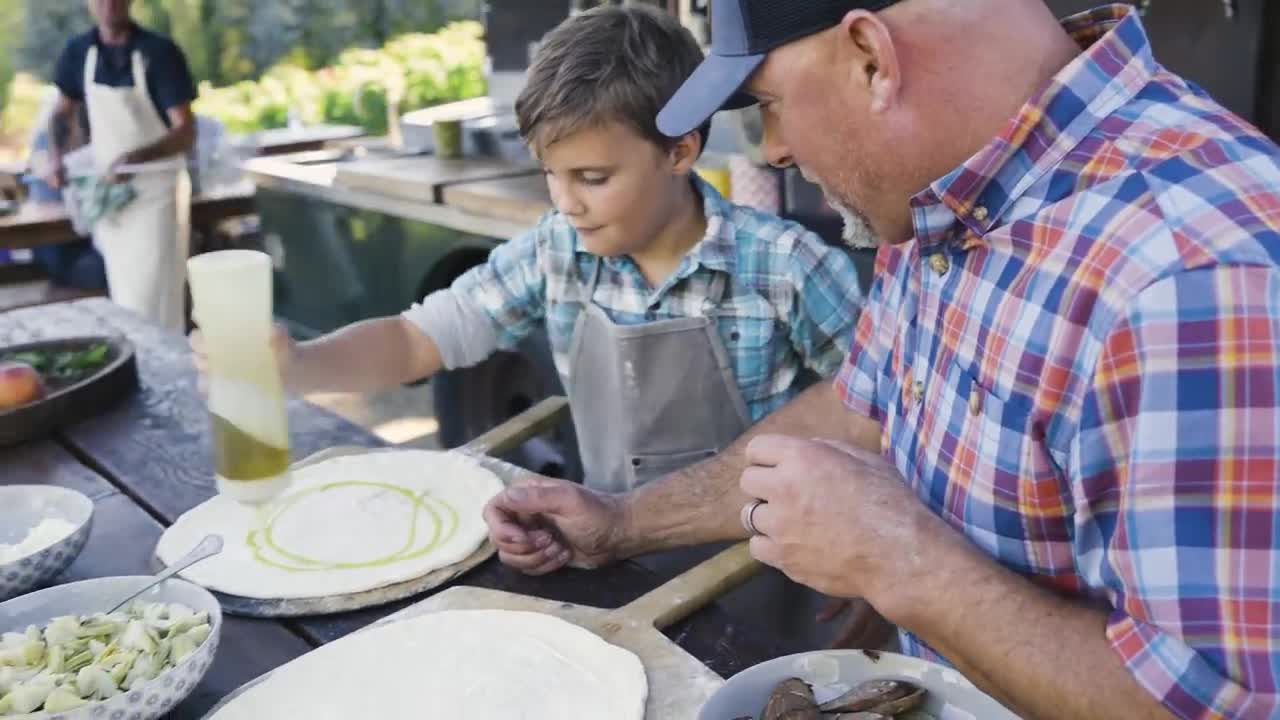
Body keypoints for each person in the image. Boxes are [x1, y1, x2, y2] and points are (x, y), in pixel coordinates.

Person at [483, 1, 1280, 717]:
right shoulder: (938, 199)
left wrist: (900, 560)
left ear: (871, 57)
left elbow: (1220, 702)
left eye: (767, 104)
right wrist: (621, 522)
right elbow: (858, 410)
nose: (777, 148)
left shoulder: (1194, 272)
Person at [190, 5, 865, 646]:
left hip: (765, 582)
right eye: (551, 174)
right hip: (610, 568)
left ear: (681, 149)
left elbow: (879, 422)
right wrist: (300, 365)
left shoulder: (786, 266)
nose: (567, 202)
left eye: (593, 177)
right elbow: (414, 340)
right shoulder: (556, 252)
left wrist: (865, 563)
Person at [45, 0, 197, 331]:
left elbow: (185, 131)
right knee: (125, 298)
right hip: (111, 197)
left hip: (156, 192)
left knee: (153, 297)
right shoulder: (79, 52)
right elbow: (61, 112)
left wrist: (134, 158)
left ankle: (168, 370)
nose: (108, 4)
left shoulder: (159, 52)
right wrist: (55, 158)